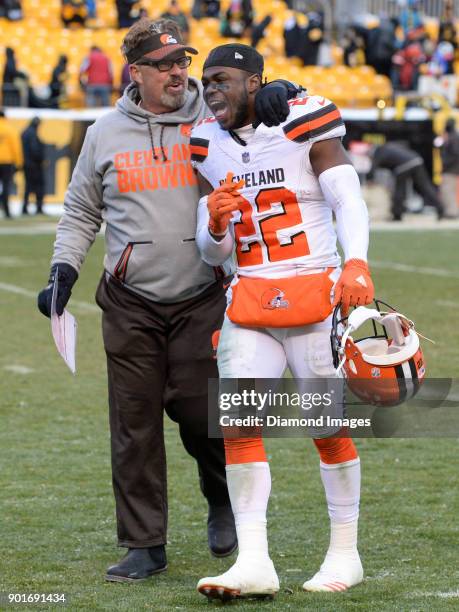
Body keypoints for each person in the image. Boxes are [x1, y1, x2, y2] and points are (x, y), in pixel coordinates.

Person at [36, 18, 299, 583]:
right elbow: (82, 210)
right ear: (137, 73)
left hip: (203, 296)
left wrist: (284, 90)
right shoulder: (104, 133)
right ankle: (144, 543)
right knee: (133, 425)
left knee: (204, 414)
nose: (179, 72)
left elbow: (267, 108)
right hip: (130, 300)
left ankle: (221, 497)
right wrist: (63, 269)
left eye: (183, 61)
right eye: (165, 64)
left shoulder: (217, 115)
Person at [192, 43, 374, 600]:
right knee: (240, 426)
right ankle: (253, 562)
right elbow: (210, 253)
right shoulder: (204, 142)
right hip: (249, 297)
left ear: (253, 81)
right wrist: (216, 226)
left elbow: (347, 197)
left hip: (315, 288)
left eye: (222, 79)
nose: (211, 89)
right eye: (207, 81)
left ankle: (346, 552)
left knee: (327, 427)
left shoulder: (305, 117)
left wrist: (358, 262)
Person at [368, 141, 444, 220]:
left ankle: (397, 214)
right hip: (416, 160)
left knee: (399, 190)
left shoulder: (379, 152)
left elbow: (373, 167)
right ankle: (440, 208)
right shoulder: (389, 147)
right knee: (425, 187)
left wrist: (369, 179)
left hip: (404, 166)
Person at [0, 108, 23, 218]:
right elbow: (16, 147)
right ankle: (6, 211)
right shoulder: (9, 129)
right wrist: (19, 163)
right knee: (6, 187)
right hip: (6, 162)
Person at [21, 117, 46, 215]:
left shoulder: (24, 132)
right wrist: (41, 159)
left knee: (28, 187)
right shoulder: (32, 133)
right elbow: (34, 149)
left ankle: (24, 208)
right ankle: (39, 208)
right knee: (39, 186)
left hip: (27, 163)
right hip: (34, 164)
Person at [438, 118, 459, 218]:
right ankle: (451, 211)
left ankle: (452, 212)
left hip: (451, 169)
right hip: (453, 168)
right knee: (448, 190)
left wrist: (445, 163)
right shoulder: (453, 136)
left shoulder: (452, 137)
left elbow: (454, 154)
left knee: (448, 190)